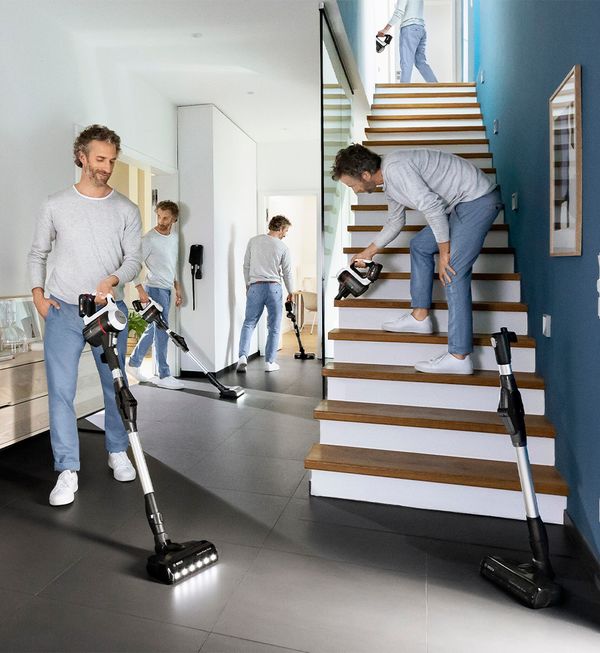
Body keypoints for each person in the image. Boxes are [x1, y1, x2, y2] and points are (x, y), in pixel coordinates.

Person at [28, 124, 142, 506]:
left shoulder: (126, 209)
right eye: (100, 159)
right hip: (61, 308)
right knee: (61, 391)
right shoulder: (55, 204)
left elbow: (133, 260)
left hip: (107, 309)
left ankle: (116, 451)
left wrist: (112, 279)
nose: (107, 166)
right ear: (81, 156)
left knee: (115, 384)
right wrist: (38, 297)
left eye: (111, 160)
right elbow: (37, 253)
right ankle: (66, 470)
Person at [332, 144, 503, 375]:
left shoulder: (396, 168)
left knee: (452, 271)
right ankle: (420, 317)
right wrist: (368, 252)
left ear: (365, 175)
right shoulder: (390, 183)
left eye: (353, 185)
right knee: (420, 245)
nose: (356, 191)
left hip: (477, 200)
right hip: (460, 205)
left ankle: (459, 356)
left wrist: (444, 254)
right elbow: (395, 222)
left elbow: (432, 207)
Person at [127, 200, 183, 390]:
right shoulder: (149, 239)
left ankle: (134, 363)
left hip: (167, 288)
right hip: (154, 289)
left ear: (174, 218)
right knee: (162, 330)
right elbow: (134, 264)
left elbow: (171, 264)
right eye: (158, 216)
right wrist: (140, 290)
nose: (160, 220)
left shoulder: (174, 238)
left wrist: (177, 287)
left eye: (165, 217)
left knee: (154, 328)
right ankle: (163, 374)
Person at [237, 215, 293, 373]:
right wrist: (291, 291)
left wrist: (248, 284)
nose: (285, 234)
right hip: (274, 288)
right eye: (286, 230)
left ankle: (242, 357)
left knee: (249, 323)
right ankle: (270, 362)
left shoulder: (253, 241)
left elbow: (246, 265)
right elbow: (287, 272)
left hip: (255, 286)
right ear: (280, 228)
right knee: (274, 327)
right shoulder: (283, 247)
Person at [377, 0, 438, 84]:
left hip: (409, 29)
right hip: (421, 29)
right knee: (420, 62)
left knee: (406, 63)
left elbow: (399, 11)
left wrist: (385, 29)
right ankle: (436, 86)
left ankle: (403, 92)